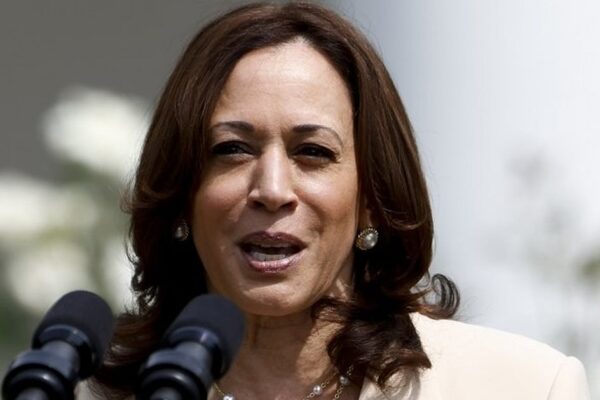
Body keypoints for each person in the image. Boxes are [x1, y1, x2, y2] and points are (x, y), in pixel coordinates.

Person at [88, 2, 591, 399]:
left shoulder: (527, 387)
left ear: (371, 198)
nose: (273, 190)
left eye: (312, 152)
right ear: (181, 193)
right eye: (233, 149)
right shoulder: (85, 392)